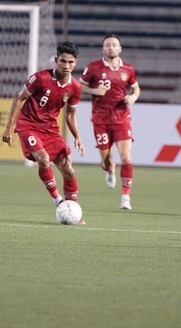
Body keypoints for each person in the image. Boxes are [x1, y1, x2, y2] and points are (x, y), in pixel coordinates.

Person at [2, 41, 86, 222]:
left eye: (70, 62)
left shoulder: (75, 87)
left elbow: (70, 115)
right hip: (28, 125)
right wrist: (9, 128)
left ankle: (72, 211)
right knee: (43, 159)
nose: (66, 66)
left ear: (76, 63)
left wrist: (77, 136)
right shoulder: (39, 78)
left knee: (69, 171)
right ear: (56, 60)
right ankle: (58, 201)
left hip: (50, 129)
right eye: (63, 61)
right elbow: (19, 99)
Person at [80, 34, 141, 210]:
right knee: (106, 160)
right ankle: (109, 169)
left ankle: (125, 197)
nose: (111, 48)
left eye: (114, 45)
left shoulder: (128, 69)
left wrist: (133, 98)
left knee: (127, 157)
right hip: (100, 119)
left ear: (120, 48)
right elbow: (79, 85)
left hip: (122, 118)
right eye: (107, 45)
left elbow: (136, 88)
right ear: (103, 49)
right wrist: (95, 90)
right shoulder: (93, 67)